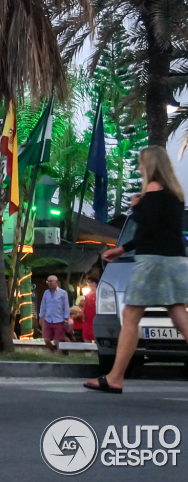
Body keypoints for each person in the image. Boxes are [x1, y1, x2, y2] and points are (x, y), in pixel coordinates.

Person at [85, 146, 188, 393]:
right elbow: (161, 232)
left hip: (152, 262)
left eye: (142, 163)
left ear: (151, 165)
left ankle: (115, 377)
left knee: (130, 317)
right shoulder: (175, 195)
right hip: (175, 261)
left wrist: (136, 207)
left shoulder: (152, 191)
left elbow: (148, 227)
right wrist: (122, 250)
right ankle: (115, 376)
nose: (139, 168)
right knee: (180, 315)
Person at [37, 275, 71, 354]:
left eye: (51, 281)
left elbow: (66, 306)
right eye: (48, 281)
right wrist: (41, 316)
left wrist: (66, 319)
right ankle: (53, 351)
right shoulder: (46, 293)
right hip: (48, 319)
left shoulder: (63, 293)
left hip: (59, 320)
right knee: (46, 339)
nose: (49, 283)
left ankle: (58, 355)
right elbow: (43, 305)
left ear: (56, 282)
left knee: (58, 339)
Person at [81, 267, 100, 342]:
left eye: (90, 282)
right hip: (87, 318)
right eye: (88, 282)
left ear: (95, 283)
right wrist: (84, 316)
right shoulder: (87, 295)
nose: (89, 284)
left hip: (95, 316)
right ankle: (89, 351)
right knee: (85, 336)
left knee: (95, 335)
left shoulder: (98, 294)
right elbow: (85, 307)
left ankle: (95, 351)